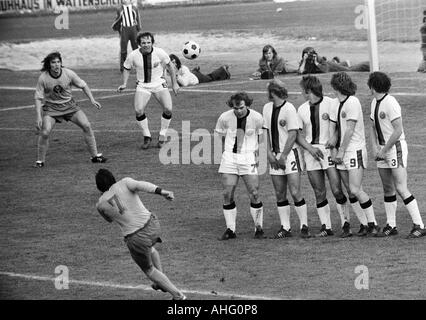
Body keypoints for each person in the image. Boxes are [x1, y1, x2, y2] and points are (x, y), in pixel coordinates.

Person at [95, 168, 187, 300]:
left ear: (99, 186)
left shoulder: (100, 204)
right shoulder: (125, 182)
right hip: (153, 224)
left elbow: (109, 220)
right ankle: (160, 282)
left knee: (149, 270)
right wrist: (162, 192)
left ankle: (178, 296)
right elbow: (142, 185)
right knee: (151, 249)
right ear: (112, 177)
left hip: (136, 238)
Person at [368, 71, 426, 238]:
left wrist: (384, 150)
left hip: (395, 149)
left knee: (401, 187)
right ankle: (391, 225)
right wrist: (374, 148)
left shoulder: (390, 103)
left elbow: (398, 130)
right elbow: (372, 127)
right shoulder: (374, 102)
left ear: (373, 86)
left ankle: (420, 225)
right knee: (387, 188)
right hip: (382, 150)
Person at [296, 75, 352, 238]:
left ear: (308, 91)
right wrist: (310, 149)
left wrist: (332, 142)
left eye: (303, 91)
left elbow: (339, 127)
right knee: (319, 191)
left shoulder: (331, 104)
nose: (302, 93)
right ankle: (326, 227)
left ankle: (346, 223)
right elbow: (297, 134)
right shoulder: (302, 109)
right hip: (310, 152)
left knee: (336, 189)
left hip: (328, 151)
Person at [328, 72, 379, 236]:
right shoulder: (335, 103)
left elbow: (349, 130)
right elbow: (338, 128)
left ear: (336, 86)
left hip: (354, 150)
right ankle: (364, 224)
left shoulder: (353, 102)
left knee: (355, 189)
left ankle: (373, 223)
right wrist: (332, 145)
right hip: (341, 153)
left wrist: (341, 151)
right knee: (351, 190)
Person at [34, 51, 107, 168]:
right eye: (53, 62)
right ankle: (40, 162)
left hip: (70, 106)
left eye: (58, 62)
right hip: (52, 109)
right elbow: (38, 98)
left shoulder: (68, 73)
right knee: (45, 132)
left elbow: (83, 85)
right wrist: (38, 116)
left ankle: (95, 156)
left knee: (86, 125)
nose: (56, 65)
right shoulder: (43, 78)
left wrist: (92, 100)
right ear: (49, 64)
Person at [262, 80, 310, 239]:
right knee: (279, 193)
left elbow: (293, 134)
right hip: (274, 156)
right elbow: (265, 133)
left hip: (289, 155)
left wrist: (283, 156)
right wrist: (269, 154)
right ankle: (286, 227)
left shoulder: (289, 109)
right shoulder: (267, 108)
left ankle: (304, 225)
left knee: (295, 191)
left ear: (273, 92)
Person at [215, 92, 266, 240]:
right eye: (235, 108)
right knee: (227, 194)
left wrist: (259, 156)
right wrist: (221, 157)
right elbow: (218, 136)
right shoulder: (224, 117)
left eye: (241, 108)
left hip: (248, 157)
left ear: (247, 105)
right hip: (230, 158)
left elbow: (261, 138)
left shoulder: (256, 118)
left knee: (254, 193)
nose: (238, 111)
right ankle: (230, 230)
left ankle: (258, 228)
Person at [118, 32, 179, 149]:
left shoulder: (159, 52)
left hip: (159, 83)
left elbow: (170, 66)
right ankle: (147, 136)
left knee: (168, 108)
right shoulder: (133, 55)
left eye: (148, 42)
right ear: (139, 44)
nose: (146, 45)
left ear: (152, 42)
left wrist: (174, 84)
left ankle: (162, 135)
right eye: (143, 43)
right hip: (143, 85)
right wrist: (124, 83)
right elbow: (126, 68)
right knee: (139, 110)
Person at [111, 0, 142, 72]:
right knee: (123, 48)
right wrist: (117, 29)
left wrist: (139, 28)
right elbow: (117, 20)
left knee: (136, 47)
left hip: (133, 29)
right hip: (124, 30)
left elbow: (138, 18)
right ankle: (123, 67)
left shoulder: (134, 8)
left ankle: (138, 64)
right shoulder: (120, 9)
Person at [298, 47, 370, 75]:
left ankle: (368, 65)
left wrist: (316, 64)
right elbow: (300, 72)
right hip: (328, 64)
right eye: (307, 55)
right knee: (342, 67)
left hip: (330, 66)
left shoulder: (318, 58)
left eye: (310, 54)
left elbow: (325, 70)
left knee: (349, 70)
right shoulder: (304, 61)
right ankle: (341, 62)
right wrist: (304, 60)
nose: (309, 56)